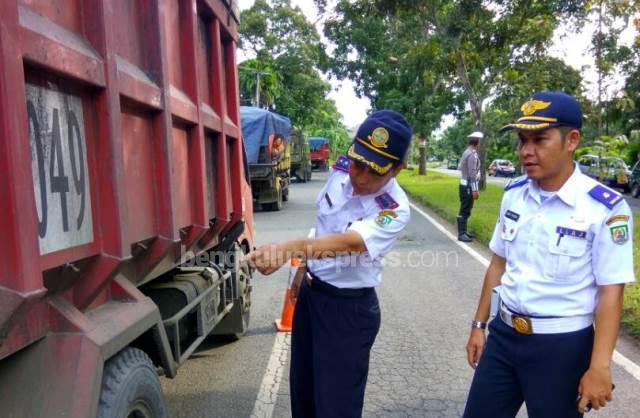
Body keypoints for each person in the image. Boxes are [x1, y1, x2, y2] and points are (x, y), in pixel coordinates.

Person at [463, 91, 635, 418]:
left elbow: (611, 291)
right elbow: (498, 263)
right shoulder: (513, 194)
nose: (526, 151)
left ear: (571, 140)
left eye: (539, 140)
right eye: (522, 140)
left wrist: (600, 367)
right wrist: (478, 324)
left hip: (562, 349)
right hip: (503, 337)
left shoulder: (605, 208)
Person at [245, 110, 412, 418]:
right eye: (358, 164)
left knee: (336, 408)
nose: (360, 177)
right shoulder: (341, 170)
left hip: (348, 313)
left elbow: (347, 243)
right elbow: (324, 226)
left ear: (397, 169)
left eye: (373, 172)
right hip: (311, 298)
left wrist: (288, 249)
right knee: (304, 396)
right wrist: (302, 269)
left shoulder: (395, 209)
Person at [457, 131, 483, 242]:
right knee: (465, 209)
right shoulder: (472, 154)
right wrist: (475, 189)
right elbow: (472, 174)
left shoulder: (466, 152)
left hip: (464, 183)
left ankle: (464, 232)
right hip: (468, 185)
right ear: (477, 142)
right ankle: (461, 234)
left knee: (466, 208)